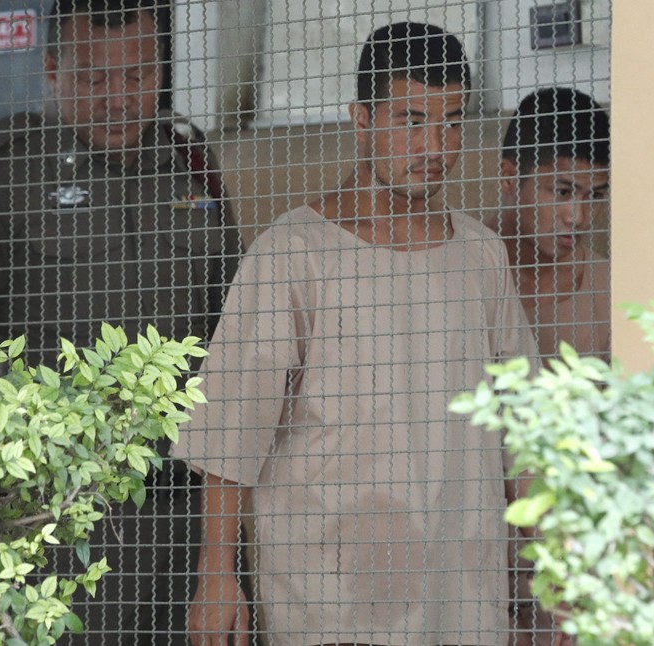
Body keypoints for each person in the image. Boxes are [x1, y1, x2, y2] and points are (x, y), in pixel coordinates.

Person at [176, 21, 539, 646]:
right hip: (330, 603)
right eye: (412, 119)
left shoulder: (482, 257)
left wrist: (552, 571)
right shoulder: (292, 253)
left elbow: (526, 429)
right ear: (361, 118)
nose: (437, 145)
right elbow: (231, 425)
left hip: (465, 599)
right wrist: (217, 571)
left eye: (452, 121)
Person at [0, 0, 242, 642]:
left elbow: (235, 333)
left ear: (160, 68)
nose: (118, 99)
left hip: (183, 512)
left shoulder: (193, 167)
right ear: (52, 68)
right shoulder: (10, 171)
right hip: (61, 515)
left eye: (135, 77)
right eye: (94, 79)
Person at [498, 87, 611, 366]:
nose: (578, 217)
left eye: (594, 196)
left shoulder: (609, 287)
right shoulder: (460, 268)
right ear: (509, 177)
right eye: (562, 192)